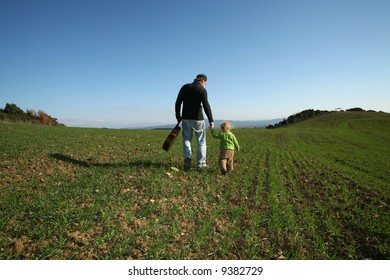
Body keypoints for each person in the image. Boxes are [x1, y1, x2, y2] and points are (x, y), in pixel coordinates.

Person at [175, 74, 214, 171]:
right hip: (198, 119)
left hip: (186, 118)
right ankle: (201, 164)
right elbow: (206, 105)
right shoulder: (202, 90)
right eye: (205, 83)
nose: (205, 85)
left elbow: (178, 102)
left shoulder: (185, 87)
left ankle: (187, 156)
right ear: (202, 81)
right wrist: (211, 120)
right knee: (201, 141)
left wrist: (178, 116)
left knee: (187, 139)